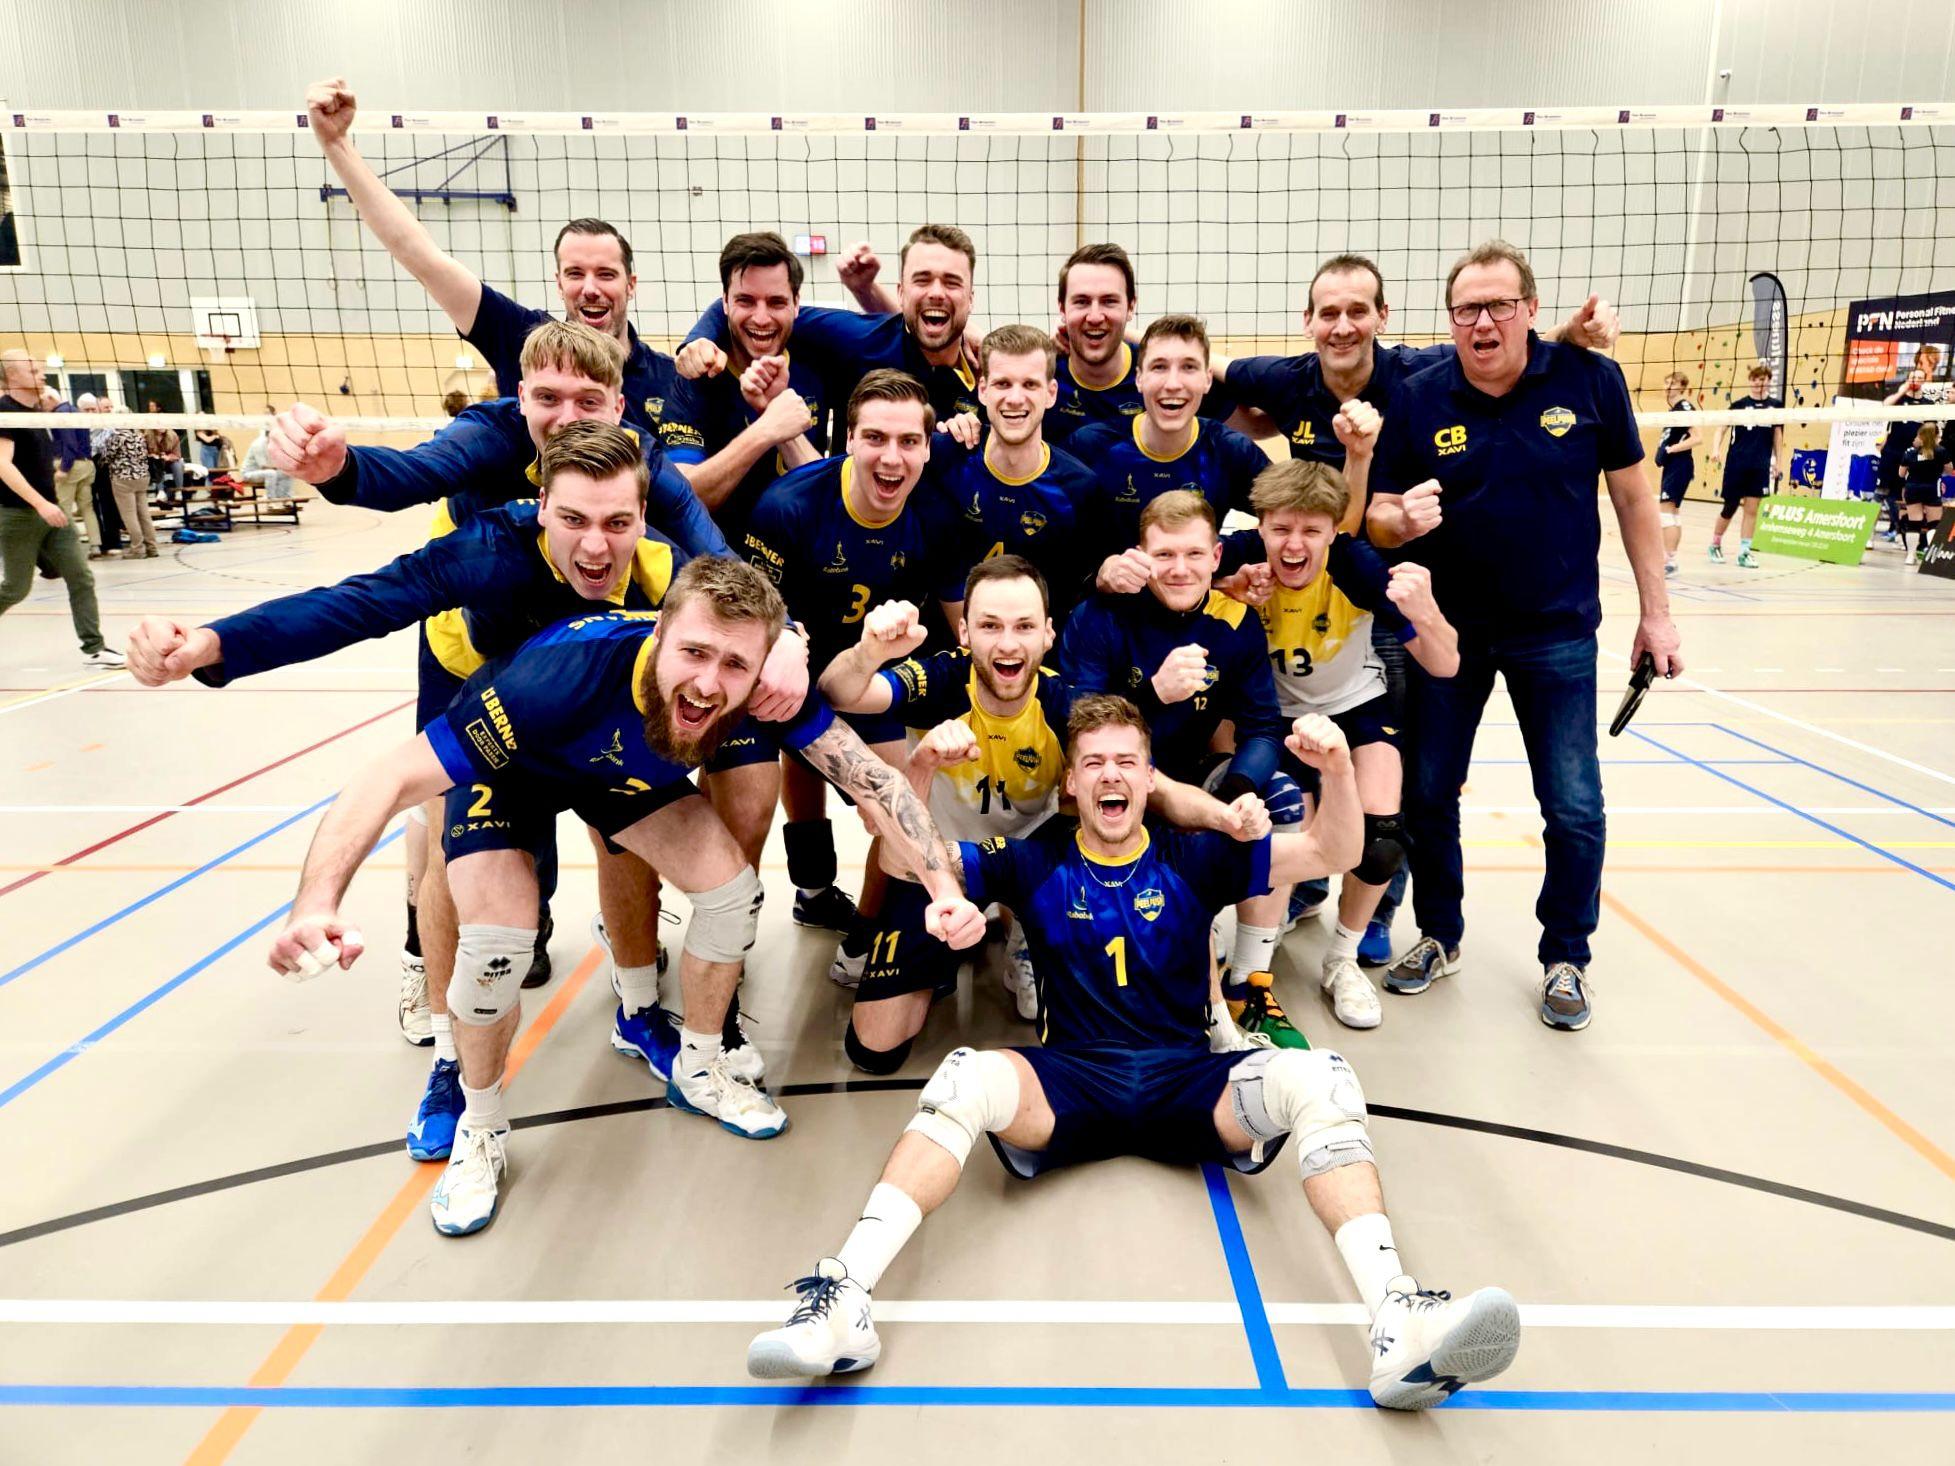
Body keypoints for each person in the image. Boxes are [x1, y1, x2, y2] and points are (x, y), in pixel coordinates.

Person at [746, 697, 1520, 1411]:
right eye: (1092, 763)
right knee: (963, 1080)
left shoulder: (1195, 857)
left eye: (1126, 761)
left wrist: (1340, 771)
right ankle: (843, 1303)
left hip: (1190, 1081)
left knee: (1322, 1077)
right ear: (1072, 784)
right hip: (1069, 1081)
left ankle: (1397, 1320)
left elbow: (1332, 848)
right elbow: (905, 860)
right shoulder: (1033, 860)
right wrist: (917, 773)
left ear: (1150, 779)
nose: (1109, 775)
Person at [125, 420, 799, 1160]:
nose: (596, 546)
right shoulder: (488, 547)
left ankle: (641, 1013)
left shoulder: (665, 557)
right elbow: (358, 603)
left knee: (647, 851)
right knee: (463, 882)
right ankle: (455, 1063)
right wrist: (215, 644)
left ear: (642, 513)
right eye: (573, 519)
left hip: (599, 724)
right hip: (492, 721)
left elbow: (736, 592)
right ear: (541, 502)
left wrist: (789, 642)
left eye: (616, 523)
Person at [265, 556, 982, 1235]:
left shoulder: (761, 691)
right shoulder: (550, 681)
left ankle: (699, 1065)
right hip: (518, 772)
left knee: (732, 894)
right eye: (694, 653)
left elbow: (874, 782)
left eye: (735, 664)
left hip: (613, 775)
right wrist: (316, 904)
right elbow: (386, 777)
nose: (708, 684)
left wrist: (943, 890)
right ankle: (479, 1126)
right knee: (497, 948)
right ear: (660, 631)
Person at [1367, 239, 1681, 1032]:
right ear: (1450, 320)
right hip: (1447, 634)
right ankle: (1439, 935)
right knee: (1427, 795)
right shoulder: (1419, 395)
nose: (1482, 323)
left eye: (1498, 305)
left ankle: (1565, 955)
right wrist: (1397, 521)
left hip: (1557, 632)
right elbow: (1375, 514)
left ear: (1530, 310)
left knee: (1573, 807)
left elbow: (1634, 500)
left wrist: (1656, 612)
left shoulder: (1589, 378)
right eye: (1465, 309)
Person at [818, 558, 1265, 1061]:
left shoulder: (1063, 705)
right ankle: (955, 946)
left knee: (1107, 817)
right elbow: (838, 691)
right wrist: (870, 652)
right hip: (940, 863)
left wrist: (1225, 817)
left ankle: (1025, 935)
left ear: (1048, 634)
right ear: (965, 632)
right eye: (991, 626)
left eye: (1024, 626)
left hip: (1024, 866)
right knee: (874, 1048)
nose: (1008, 644)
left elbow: (1157, 787)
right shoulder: (940, 681)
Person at [304, 77, 722, 479]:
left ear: (631, 285)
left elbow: (684, 491)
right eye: (575, 273)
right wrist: (336, 144)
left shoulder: (669, 378)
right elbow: (423, 258)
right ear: (558, 282)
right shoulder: (520, 335)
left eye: (606, 274)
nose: (590, 288)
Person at [1216, 460, 1459, 1029]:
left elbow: (1445, 663)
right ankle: (1253, 967)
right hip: (1270, 716)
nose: (1293, 544)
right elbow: (1165, 592)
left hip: (1354, 708)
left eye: (1311, 530)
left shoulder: (1355, 565)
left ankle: (1342, 959)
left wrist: (1425, 610)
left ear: (1333, 531)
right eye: (1280, 529)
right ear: (1260, 525)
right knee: (1281, 830)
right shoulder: (1238, 555)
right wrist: (1223, 587)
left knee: (1380, 839)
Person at [1062, 491, 1306, 1048]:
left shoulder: (1235, 621)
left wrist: (1237, 792)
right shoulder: (1101, 616)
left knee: (1279, 801)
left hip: (1195, 774)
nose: (1180, 569)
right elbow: (1082, 733)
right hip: (1115, 784)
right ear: (1141, 557)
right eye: (1164, 555)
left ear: (1216, 557)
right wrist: (1154, 694)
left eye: (1194, 554)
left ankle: (1249, 982)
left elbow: (1264, 727)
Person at [740, 369, 973, 940]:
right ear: (847, 439)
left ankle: (873, 931)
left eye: (909, 441)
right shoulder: (788, 507)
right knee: (762, 789)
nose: (891, 457)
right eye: (874, 438)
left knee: (893, 808)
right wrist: (784, 646)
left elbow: (960, 620)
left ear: (927, 448)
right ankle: (808, 891)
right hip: (784, 668)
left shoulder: (937, 515)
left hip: (870, 674)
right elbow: (751, 618)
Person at [682, 224, 983, 424]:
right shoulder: (859, 340)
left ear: (970, 298)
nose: (936, 293)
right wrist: (698, 341)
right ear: (901, 292)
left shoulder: (994, 373)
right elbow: (750, 308)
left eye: (952, 282)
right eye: (922, 280)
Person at [1068, 315, 1271, 573]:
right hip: (1109, 596)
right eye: (1159, 367)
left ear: (1208, 379)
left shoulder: (1230, 451)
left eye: (1189, 367)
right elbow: (1056, 539)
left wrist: (1213, 559)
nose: (1173, 384)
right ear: (1139, 379)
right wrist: (1100, 572)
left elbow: (1291, 522)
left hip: (1192, 592)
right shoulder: (1091, 448)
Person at [931, 324, 1098, 621]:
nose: (1015, 398)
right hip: (949, 639)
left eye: (1030, 385)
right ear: (983, 390)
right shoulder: (946, 456)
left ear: (1051, 393)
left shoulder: (1079, 489)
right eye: (1003, 384)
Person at [671, 231, 826, 540]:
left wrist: (781, 420)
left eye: (776, 302)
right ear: (725, 302)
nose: (761, 318)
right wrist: (766, 429)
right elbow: (681, 499)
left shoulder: (821, 359)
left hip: (802, 559)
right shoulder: (694, 378)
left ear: (797, 304)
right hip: (716, 563)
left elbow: (827, 501)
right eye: (745, 301)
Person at [0, 351, 122, 666]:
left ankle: (94, 648)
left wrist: (50, 483)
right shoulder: (4, 410)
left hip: (53, 512)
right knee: (15, 589)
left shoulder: (37, 410)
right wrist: (40, 503)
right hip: (17, 515)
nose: (42, 375)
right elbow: (2, 464)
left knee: (81, 577)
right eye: (33, 370)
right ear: (11, 376)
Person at [1706, 363, 1785, 568]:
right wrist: (1715, 449)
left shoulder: (1775, 406)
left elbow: (1778, 436)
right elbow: (1721, 429)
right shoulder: (1739, 405)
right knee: (1730, 507)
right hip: (1737, 464)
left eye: (1763, 379)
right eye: (1756, 379)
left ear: (1769, 381)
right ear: (1750, 381)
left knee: (1752, 509)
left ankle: (1744, 552)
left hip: (1760, 466)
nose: (1759, 383)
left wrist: (1779, 462)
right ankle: (1715, 544)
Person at [1652, 372, 1700, 576]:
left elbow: (1697, 438)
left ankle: (1669, 561)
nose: (1668, 386)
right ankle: (1670, 559)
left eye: (1673, 383)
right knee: (1672, 512)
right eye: (1666, 383)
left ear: (1682, 386)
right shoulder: (1674, 410)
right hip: (1673, 465)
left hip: (1680, 464)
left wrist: (1671, 449)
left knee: (1666, 512)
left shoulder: (1685, 407)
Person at [1877, 367, 1932, 543]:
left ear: (1924, 381)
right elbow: (1885, 406)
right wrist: (1902, 391)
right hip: (1891, 454)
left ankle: (1902, 534)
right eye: (1912, 377)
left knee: (1903, 497)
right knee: (1881, 494)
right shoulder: (1899, 399)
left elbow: (1930, 432)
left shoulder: (1928, 404)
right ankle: (1868, 536)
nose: (1915, 380)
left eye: (1919, 377)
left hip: (1911, 458)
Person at [99, 409, 157, 558]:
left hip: (123, 478)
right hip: (142, 477)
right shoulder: (138, 435)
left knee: (129, 515)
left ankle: (137, 549)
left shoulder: (117, 436)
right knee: (144, 514)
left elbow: (106, 457)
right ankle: (152, 547)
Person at [1898, 423, 1948, 561]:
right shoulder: (1941, 451)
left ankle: (1910, 556)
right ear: (1936, 435)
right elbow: (1949, 470)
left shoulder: (1910, 452)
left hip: (1913, 488)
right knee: (1934, 524)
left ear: (1920, 435)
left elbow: (1901, 474)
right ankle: (1933, 559)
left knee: (1914, 523)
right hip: (1932, 488)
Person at [143, 403, 184, 501]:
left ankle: (179, 491)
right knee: (157, 463)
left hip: (169, 461)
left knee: (178, 464)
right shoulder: (147, 435)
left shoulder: (172, 435)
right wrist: (152, 455)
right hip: (154, 462)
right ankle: (160, 491)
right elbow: (143, 451)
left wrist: (168, 457)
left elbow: (177, 454)